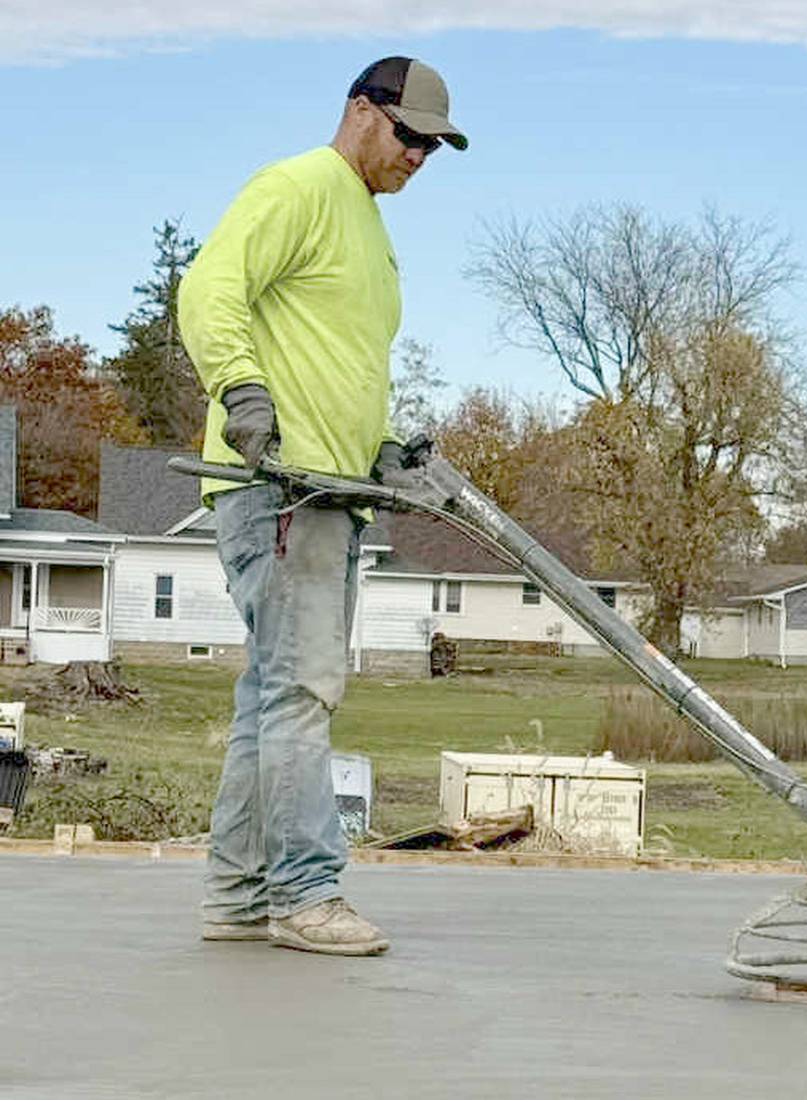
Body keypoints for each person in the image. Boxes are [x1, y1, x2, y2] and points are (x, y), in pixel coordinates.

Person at [178, 57, 467, 955]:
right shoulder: (301, 186)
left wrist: (377, 448)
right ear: (359, 111)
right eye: (408, 133)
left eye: (434, 144)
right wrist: (242, 393)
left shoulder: (371, 232)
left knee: (271, 697)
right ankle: (305, 895)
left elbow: (340, 363)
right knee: (301, 693)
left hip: (335, 494)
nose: (420, 154)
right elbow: (209, 289)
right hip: (281, 491)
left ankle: (238, 895)